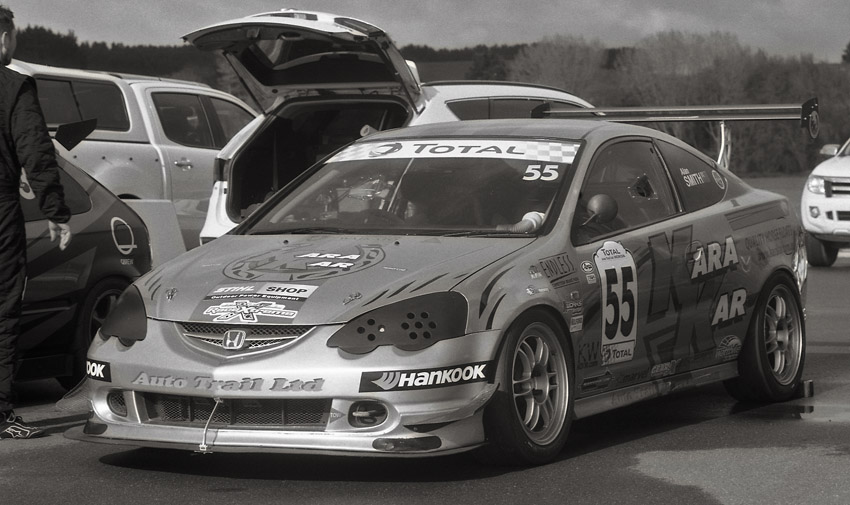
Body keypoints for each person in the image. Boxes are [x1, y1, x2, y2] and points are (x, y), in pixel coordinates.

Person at [0, 5, 72, 439]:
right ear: (2, 38)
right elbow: (36, 152)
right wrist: (55, 211)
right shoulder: (13, 86)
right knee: (2, 311)